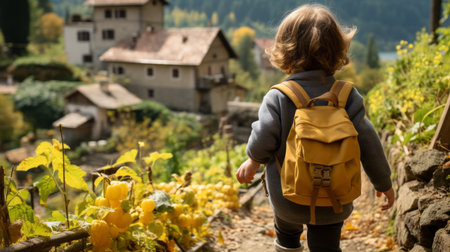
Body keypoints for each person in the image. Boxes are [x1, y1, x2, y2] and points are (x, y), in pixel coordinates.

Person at [235, 4, 395, 252]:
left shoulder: (279, 97)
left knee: (286, 235)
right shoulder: (347, 96)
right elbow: (368, 141)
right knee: (326, 245)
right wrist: (383, 182)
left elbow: (264, 136)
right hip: (335, 199)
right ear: (337, 51)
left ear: (285, 51)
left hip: (288, 197)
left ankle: (288, 245)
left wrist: (252, 161)